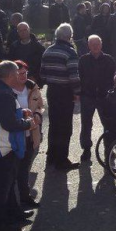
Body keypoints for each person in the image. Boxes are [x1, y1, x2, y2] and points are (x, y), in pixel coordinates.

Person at [0, 61, 38, 231]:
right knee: (3, 186)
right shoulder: (3, 93)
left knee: (9, 183)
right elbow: (9, 123)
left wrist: (20, 112)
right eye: (17, 74)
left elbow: (3, 114)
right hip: (3, 145)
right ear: (10, 75)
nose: (19, 77)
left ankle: (14, 213)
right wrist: (28, 124)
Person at [40, 23, 81, 170]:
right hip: (65, 92)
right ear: (69, 36)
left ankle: (51, 156)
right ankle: (62, 160)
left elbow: (42, 75)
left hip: (52, 91)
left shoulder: (48, 51)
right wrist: (77, 93)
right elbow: (74, 76)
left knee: (54, 125)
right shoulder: (70, 52)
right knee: (65, 127)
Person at [78, 35, 116, 162]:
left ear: (101, 45)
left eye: (97, 44)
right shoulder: (83, 60)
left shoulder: (109, 59)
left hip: (105, 97)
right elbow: (79, 78)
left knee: (108, 124)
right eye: (92, 44)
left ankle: (109, 149)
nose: (95, 46)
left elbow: (114, 79)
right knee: (86, 124)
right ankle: (86, 149)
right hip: (87, 96)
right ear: (88, 45)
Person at [13, 61, 44, 208]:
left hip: (31, 133)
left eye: (25, 73)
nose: (23, 76)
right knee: (13, 169)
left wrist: (38, 114)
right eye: (20, 74)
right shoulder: (6, 89)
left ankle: (25, 197)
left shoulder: (32, 86)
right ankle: (12, 202)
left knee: (25, 167)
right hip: (14, 135)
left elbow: (40, 105)